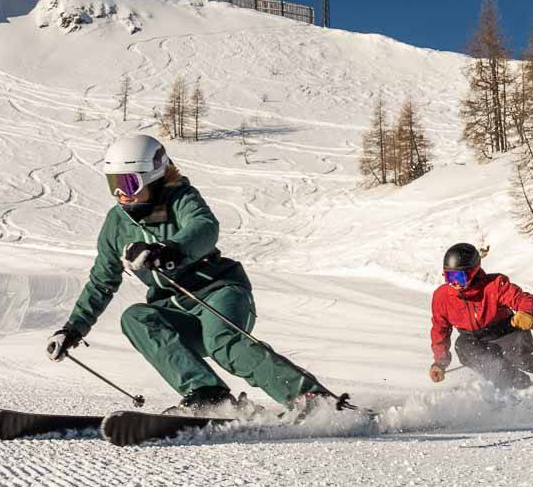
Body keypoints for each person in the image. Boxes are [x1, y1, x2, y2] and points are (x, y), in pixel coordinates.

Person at [50, 134, 333, 412]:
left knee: (222, 342)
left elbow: (204, 227)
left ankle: (311, 400)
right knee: (136, 318)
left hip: (219, 292)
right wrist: (73, 330)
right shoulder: (116, 224)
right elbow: (102, 282)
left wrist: (167, 249)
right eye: (113, 183)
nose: (120, 192)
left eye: (129, 182)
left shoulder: (179, 198)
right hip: (174, 309)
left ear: (154, 177)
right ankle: (208, 394)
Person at [427, 242, 533, 390]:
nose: (454, 283)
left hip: (506, 332)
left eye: (459, 277)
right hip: (475, 340)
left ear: (473, 271)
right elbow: (440, 330)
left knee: (524, 359)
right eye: (449, 277)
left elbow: (524, 299)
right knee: (466, 348)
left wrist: (527, 313)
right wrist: (440, 363)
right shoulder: (442, 296)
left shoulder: (494, 285)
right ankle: (520, 388)